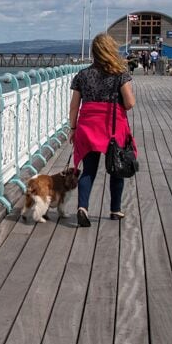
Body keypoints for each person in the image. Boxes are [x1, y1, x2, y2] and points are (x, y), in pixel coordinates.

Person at [69, 33, 137, 227]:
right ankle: (115, 209)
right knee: (116, 166)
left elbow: (74, 105)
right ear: (111, 50)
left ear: (94, 52)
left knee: (89, 169)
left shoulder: (82, 75)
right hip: (112, 126)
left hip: (88, 125)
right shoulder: (120, 73)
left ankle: (83, 207)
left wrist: (73, 128)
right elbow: (130, 103)